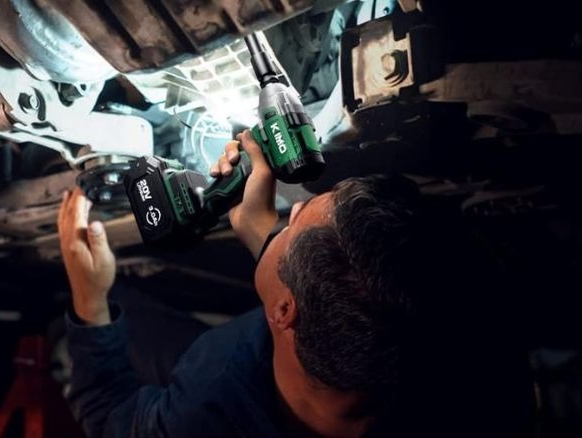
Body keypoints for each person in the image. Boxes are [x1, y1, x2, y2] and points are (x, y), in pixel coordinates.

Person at [55, 131, 524, 437]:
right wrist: (266, 240)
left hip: (206, 373)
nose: (292, 209)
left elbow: (107, 412)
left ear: (284, 311)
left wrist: (89, 298)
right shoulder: (467, 372)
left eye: (294, 224)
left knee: (131, 317)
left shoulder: (205, 409)